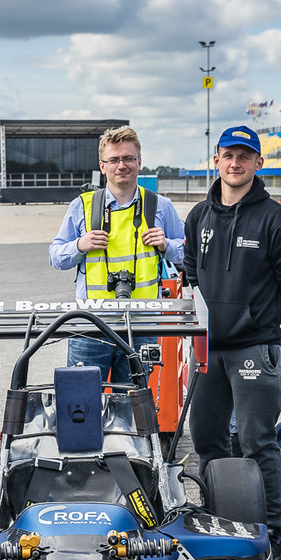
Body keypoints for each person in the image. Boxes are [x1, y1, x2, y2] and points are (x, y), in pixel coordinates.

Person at [183, 125, 281, 560]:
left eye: (244, 156)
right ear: (216, 160)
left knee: (258, 443)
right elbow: (191, 274)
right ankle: (218, 522)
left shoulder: (277, 219)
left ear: (258, 162)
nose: (235, 163)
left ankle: (271, 532)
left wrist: (256, 322)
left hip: (255, 349)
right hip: (207, 350)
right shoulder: (198, 216)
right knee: (207, 442)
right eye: (228, 155)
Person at [49, 125, 186, 383]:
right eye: (113, 160)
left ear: (139, 162)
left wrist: (167, 245)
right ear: (102, 166)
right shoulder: (82, 206)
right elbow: (55, 256)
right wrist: (79, 245)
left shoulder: (160, 205)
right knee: (83, 400)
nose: (121, 165)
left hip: (142, 325)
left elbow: (189, 254)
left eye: (128, 158)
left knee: (133, 402)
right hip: (91, 325)